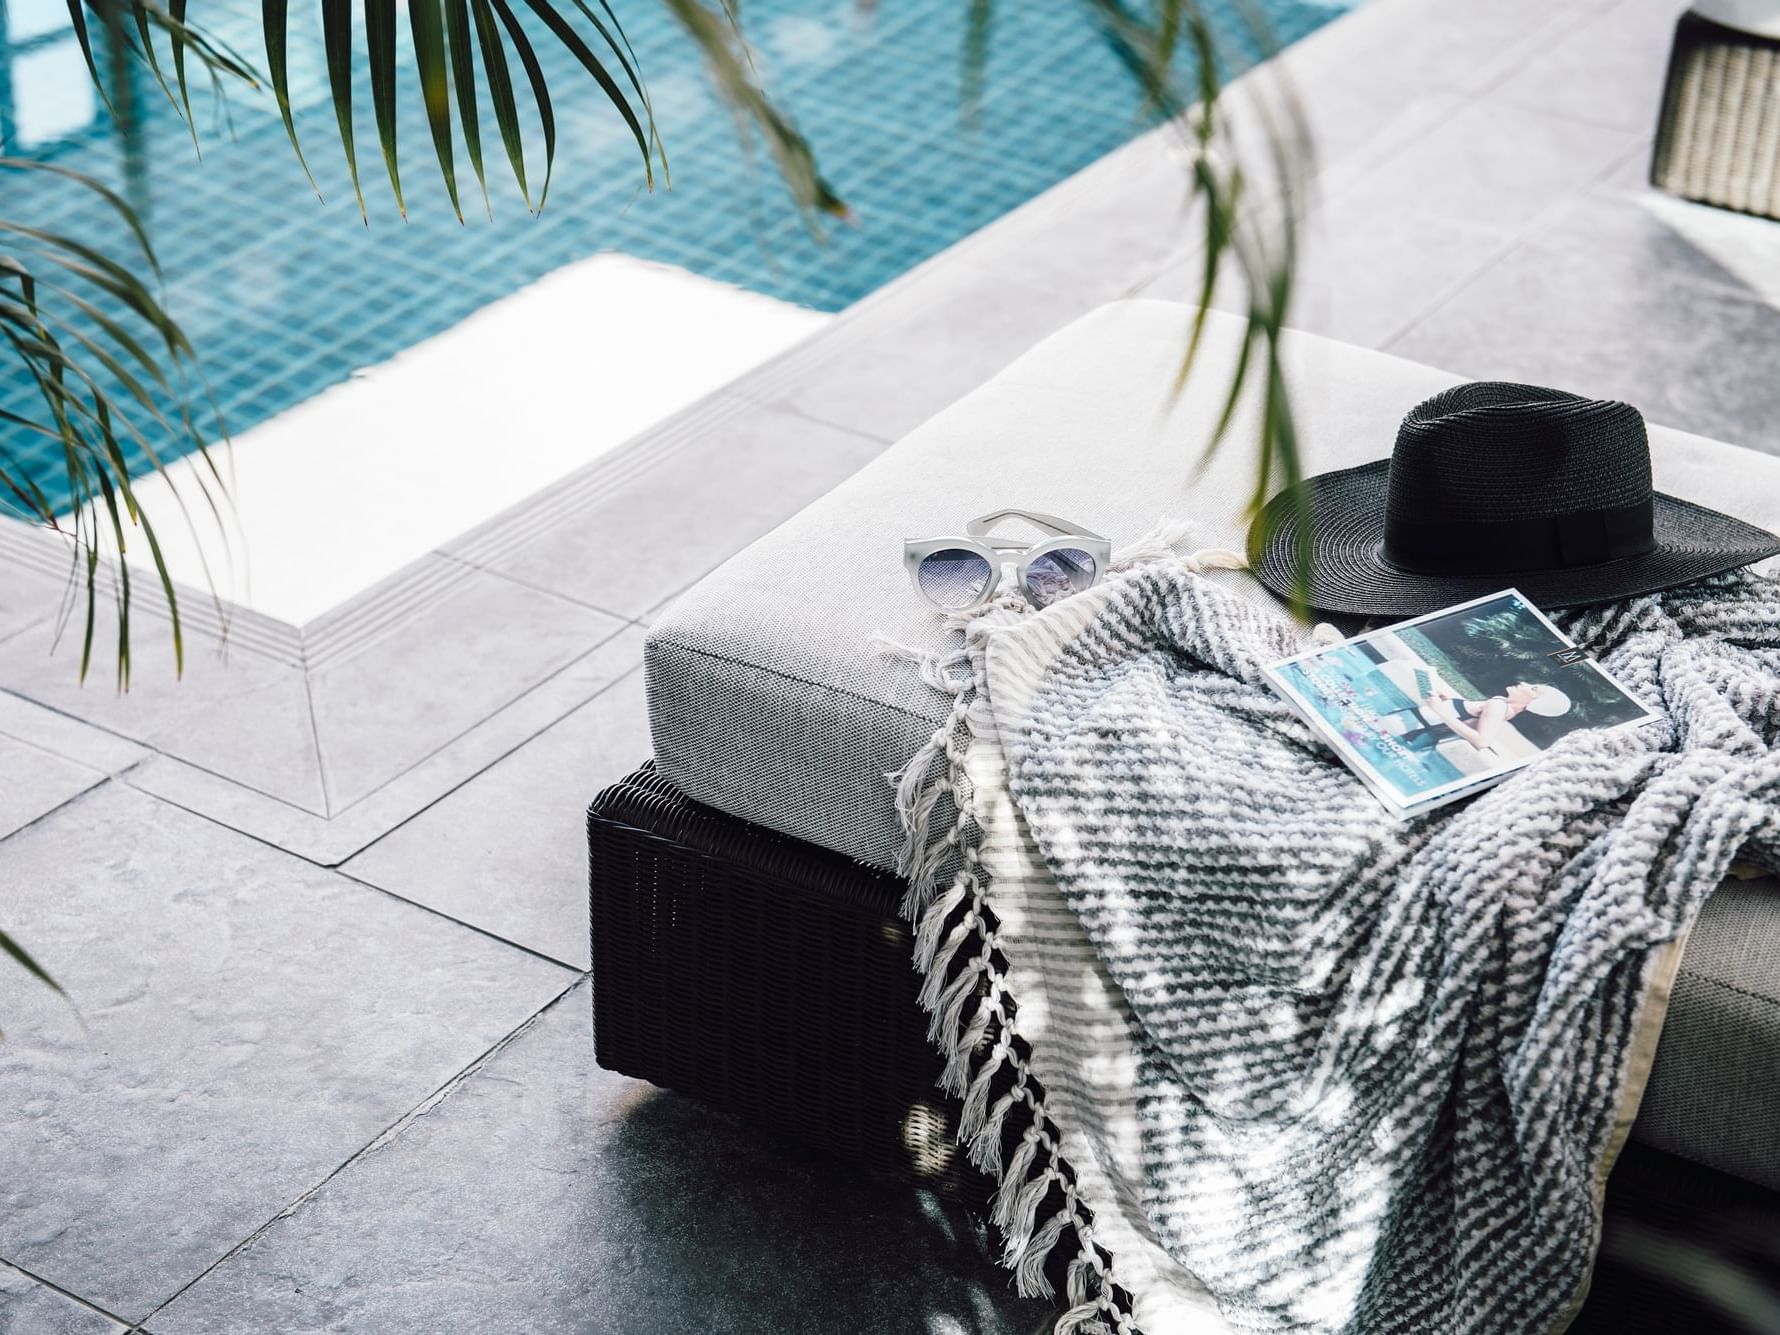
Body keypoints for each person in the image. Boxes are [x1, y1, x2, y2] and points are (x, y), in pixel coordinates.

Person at [1394, 673, 1572, 754]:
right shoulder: (1505, 709)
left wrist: (1440, 710)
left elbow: (1481, 741)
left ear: (1534, 703)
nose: (1523, 683)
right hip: (1413, 730)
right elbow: (1465, 720)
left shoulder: (1499, 705)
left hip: (1406, 727)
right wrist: (1449, 702)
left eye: (1532, 688)